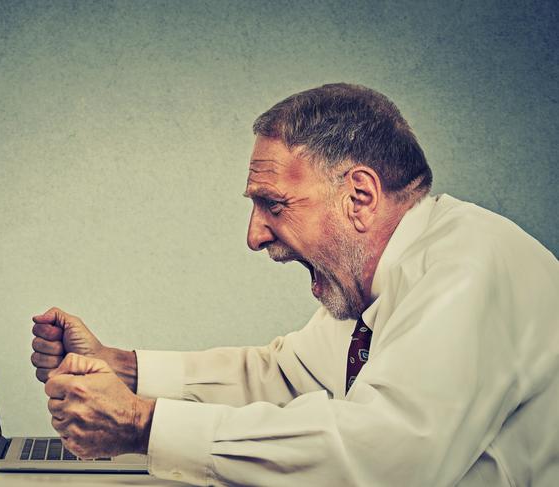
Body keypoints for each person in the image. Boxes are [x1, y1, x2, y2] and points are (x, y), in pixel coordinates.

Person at [31, 83, 559, 486]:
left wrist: (142, 424)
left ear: (359, 197)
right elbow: (281, 374)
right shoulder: (375, 287)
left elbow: (386, 456)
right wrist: (121, 366)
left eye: (274, 204)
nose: (255, 236)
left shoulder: (467, 266)